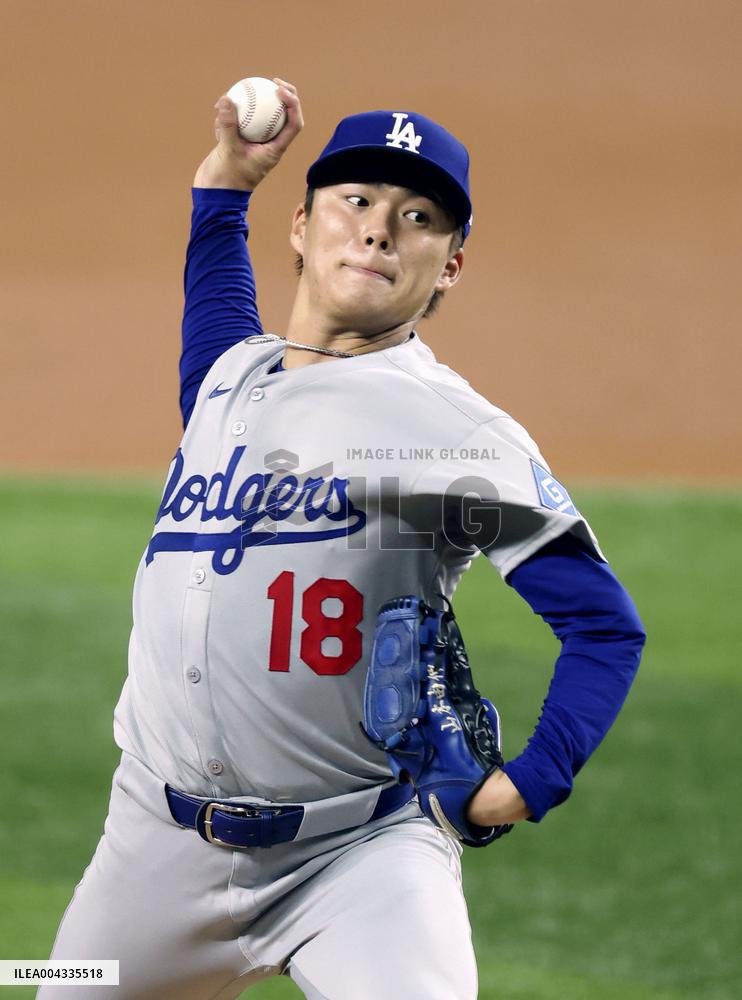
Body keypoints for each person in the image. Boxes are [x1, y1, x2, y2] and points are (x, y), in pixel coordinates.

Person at [39, 79, 646, 999]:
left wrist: (530, 780)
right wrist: (223, 185)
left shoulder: (454, 432)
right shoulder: (227, 381)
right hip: (152, 848)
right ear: (303, 226)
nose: (377, 230)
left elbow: (603, 626)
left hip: (359, 854)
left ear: (449, 266)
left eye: (417, 216)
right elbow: (213, 305)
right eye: (356, 201)